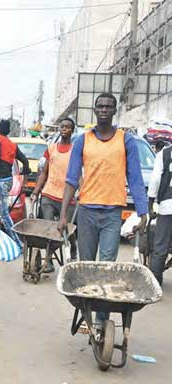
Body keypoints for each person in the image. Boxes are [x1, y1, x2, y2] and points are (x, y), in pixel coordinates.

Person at [59, 92, 149, 325]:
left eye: (108, 106)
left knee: (107, 266)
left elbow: (136, 177)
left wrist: (142, 211)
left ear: (114, 110)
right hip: (87, 210)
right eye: (100, 106)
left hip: (112, 212)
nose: (104, 110)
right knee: (87, 265)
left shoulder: (125, 140)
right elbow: (71, 179)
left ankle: (101, 321)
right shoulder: (83, 140)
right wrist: (62, 216)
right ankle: (88, 316)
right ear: (95, 110)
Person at [0, 119, 31, 246]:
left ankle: (18, 242)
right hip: (8, 180)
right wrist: (25, 174)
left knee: (3, 215)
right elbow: (25, 161)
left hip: (0, 181)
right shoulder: (12, 144)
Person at [32, 118, 76, 223]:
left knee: (66, 231)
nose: (64, 129)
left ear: (72, 131)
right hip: (48, 195)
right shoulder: (51, 148)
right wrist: (36, 191)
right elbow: (44, 173)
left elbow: (78, 175)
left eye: (67, 127)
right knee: (48, 228)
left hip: (67, 198)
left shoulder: (75, 151)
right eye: (62, 127)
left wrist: (83, 191)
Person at [148, 142, 172, 284]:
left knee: (161, 246)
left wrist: (151, 203)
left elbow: (156, 179)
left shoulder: (165, 153)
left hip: (168, 205)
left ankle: (155, 281)